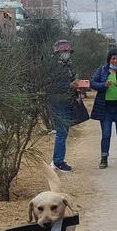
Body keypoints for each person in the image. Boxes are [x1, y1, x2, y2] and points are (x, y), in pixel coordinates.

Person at [48, 39, 79, 172]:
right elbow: (51, 85)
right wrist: (68, 85)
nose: (66, 53)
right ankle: (58, 161)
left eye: (68, 51)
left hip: (66, 101)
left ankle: (58, 159)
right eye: (64, 51)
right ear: (58, 52)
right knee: (62, 132)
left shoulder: (67, 65)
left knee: (64, 132)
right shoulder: (53, 67)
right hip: (57, 101)